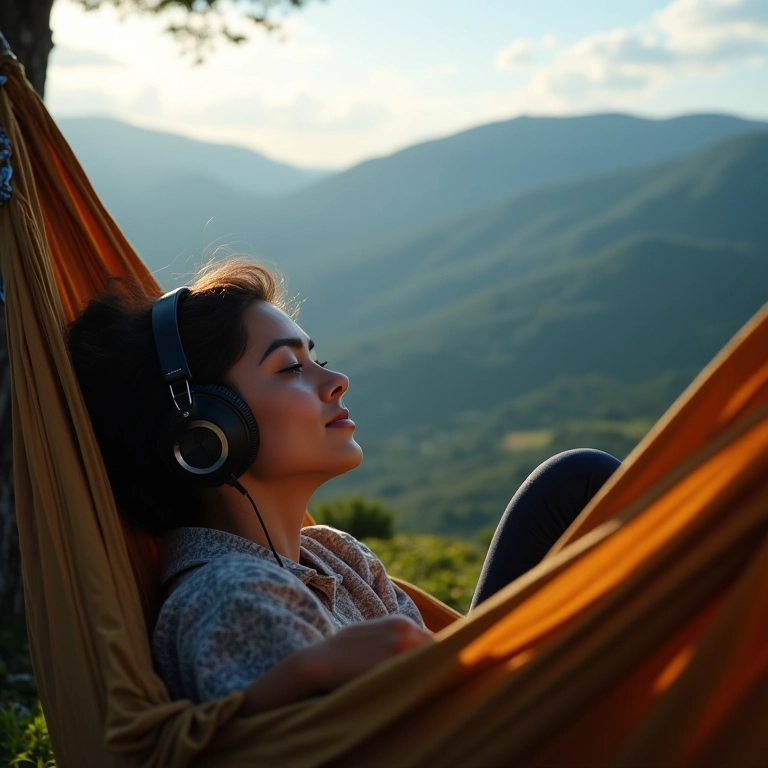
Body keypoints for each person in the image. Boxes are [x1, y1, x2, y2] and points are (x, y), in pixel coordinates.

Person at [67, 257, 620, 717]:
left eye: (319, 359)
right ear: (208, 434)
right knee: (578, 483)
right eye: (289, 369)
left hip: (470, 726)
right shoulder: (228, 595)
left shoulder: (336, 555)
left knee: (570, 484)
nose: (336, 381)